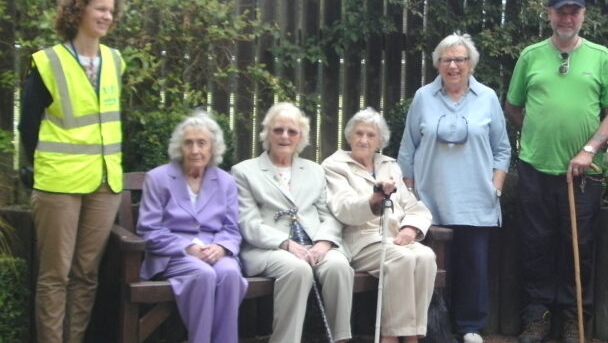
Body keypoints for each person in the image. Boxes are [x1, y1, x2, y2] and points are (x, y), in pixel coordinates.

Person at [505, 0, 608, 342]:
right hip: (535, 169)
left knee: (580, 245)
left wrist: (589, 148)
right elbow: (513, 105)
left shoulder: (600, 56)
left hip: (583, 175)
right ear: (549, 13)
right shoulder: (530, 56)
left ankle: (575, 318)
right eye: (561, 11)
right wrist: (538, 133)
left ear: (583, 15)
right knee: (536, 245)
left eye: (574, 11)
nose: (567, 17)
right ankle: (537, 317)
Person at [16, 0, 125, 341]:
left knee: (85, 275)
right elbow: (28, 123)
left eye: (111, 10)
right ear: (77, 12)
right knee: (55, 276)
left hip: (105, 183)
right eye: (100, 9)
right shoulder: (48, 61)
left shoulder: (114, 60)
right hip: (58, 183)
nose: (107, 16)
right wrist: (35, 165)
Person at [397, 33, 511, 343]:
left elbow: (502, 149)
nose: (453, 65)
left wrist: (495, 187)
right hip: (429, 200)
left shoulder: (487, 97)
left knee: (473, 265)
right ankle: (433, 328)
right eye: (446, 59)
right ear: (437, 64)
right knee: (431, 266)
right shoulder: (423, 97)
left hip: (477, 197)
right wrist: (408, 195)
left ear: (470, 63)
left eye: (460, 59)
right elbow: (407, 149)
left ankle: (470, 326)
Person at [232, 102, 354, 343]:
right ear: (267, 134)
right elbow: (248, 223)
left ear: (301, 137)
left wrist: (324, 243)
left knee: (338, 265)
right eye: (278, 130)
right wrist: (286, 244)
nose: (285, 136)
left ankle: (340, 338)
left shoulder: (314, 170)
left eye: (292, 131)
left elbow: (329, 214)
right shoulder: (244, 172)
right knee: (297, 269)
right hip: (268, 248)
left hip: (313, 244)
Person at [323, 108, 437, 343]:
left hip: (394, 238)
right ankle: (391, 336)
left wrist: (410, 229)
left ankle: (413, 335)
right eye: (359, 134)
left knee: (426, 256)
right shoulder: (335, 166)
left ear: (379, 141)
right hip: (359, 239)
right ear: (349, 136)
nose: (363, 140)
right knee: (401, 258)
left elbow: (415, 208)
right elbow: (343, 207)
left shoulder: (389, 166)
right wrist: (373, 200)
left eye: (370, 135)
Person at [136, 111, 247, 343]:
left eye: (202, 143)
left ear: (212, 148)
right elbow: (148, 229)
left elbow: (231, 228)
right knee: (203, 274)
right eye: (189, 143)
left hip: (214, 250)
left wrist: (222, 247)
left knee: (229, 273)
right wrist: (187, 247)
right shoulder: (158, 178)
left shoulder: (225, 181)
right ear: (179, 147)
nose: (195, 150)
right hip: (173, 254)